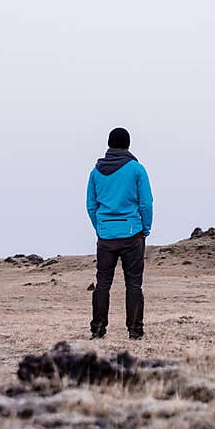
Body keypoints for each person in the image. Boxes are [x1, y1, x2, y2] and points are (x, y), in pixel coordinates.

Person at [86, 127, 153, 340]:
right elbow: (146, 203)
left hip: (106, 236)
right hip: (132, 233)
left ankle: (98, 330)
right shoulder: (136, 169)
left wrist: (101, 227)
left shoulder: (96, 172)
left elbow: (90, 205)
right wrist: (146, 228)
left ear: (109, 144)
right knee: (133, 284)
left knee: (102, 283)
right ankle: (135, 331)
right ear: (128, 145)